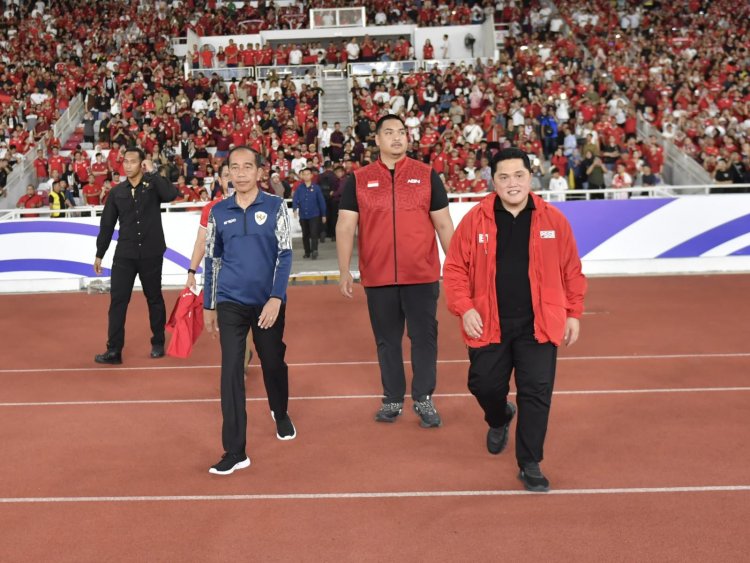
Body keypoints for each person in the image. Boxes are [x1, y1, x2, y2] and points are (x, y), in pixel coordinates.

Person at [443, 147, 587, 493]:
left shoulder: (553, 219)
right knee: (484, 385)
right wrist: (466, 307)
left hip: (539, 324)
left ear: (530, 177)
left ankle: (530, 462)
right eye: (504, 177)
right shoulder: (475, 219)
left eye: (519, 175)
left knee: (536, 393)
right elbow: (454, 270)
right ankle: (499, 417)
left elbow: (572, 269)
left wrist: (573, 313)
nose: (512, 183)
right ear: (493, 180)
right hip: (488, 323)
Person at [336, 115, 455, 427]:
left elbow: (443, 224)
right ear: (377, 140)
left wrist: (457, 267)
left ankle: (424, 398)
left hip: (422, 274)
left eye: (402, 132)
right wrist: (344, 269)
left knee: (424, 338)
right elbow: (346, 225)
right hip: (378, 276)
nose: (397, 138)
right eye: (389, 133)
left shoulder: (427, 175)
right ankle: (392, 398)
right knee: (387, 340)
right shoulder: (359, 179)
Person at [203, 146, 294, 476]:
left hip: (267, 302)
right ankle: (235, 450)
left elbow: (285, 254)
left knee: (272, 361)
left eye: (247, 167)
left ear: (259, 172)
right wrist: (209, 305)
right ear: (226, 173)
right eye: (234, 167)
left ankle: (279, 410)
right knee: (230, 372)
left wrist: (276, 298)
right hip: (230, 301)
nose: (240, 173)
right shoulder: (218, 212)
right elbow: (212, 260)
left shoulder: (275, 207)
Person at [93, 148, 179, 364]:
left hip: (151, 252)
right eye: (125, 162)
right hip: (125, 254)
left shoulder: (153, 186)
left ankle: (158, 343)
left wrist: (153, 172)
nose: (128, 165)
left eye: (133, 162)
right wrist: (99, 253)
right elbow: (107, 224)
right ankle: (114, 351)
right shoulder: (116, 192)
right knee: (118, 302)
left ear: (142, 164)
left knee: (154, 298)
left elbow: (170, 194)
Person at [292, 167, 326, 259]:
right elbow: (295, 199)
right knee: (305, 235)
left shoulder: (316, 188)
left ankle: (314, 250)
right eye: (304, 174)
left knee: (314, 233)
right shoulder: (299, 188)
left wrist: (324, 215)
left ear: (311, 175)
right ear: (302, 176)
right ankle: (307, 252)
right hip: (303, 215)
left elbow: (321, 201)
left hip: (314, 215)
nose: (306, 176)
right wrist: (295, 209)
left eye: (308, 174)